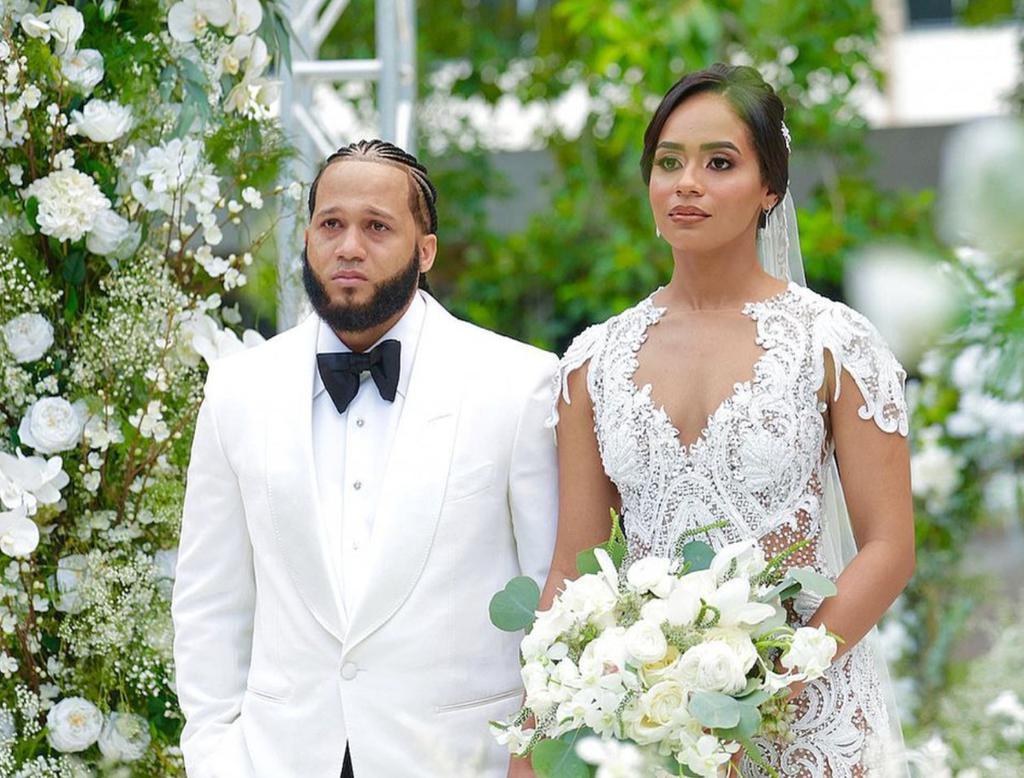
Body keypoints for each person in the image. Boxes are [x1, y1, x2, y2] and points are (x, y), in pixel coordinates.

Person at [530, 64, 915, 777]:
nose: (686, 182)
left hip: (809, 715)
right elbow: (572, 567)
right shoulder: (593, 360)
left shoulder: (835, 344)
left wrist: (763, 691)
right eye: (668, 162)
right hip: (653, 721)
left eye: (719, 162)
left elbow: (889, 547)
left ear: (770, 187)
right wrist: (538, 728)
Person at [172, 139, 559, 778]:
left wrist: (534, 753)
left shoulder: (517, 384)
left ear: (424, 250)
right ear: (307, 238)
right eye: (331, 224)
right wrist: (215, 759)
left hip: (462, 762)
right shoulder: (238, 389)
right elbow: (210, 601)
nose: (349, 246)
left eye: (377, 226)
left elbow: (553, 595)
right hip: (279, 760)